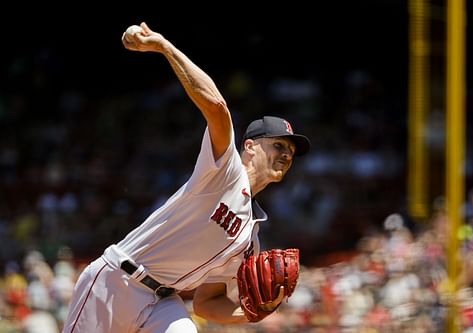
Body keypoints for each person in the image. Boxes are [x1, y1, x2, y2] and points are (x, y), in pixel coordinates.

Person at [62, 21, 310, 333]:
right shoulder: (225, 171)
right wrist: (164, 46)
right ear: (249, 146)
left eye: (291, 151)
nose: (287, 154)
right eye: (278, 145)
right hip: (117, 280)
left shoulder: (251, 239)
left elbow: (207, 303)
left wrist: (255, 312)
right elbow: (217, 107)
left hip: (162, 301)